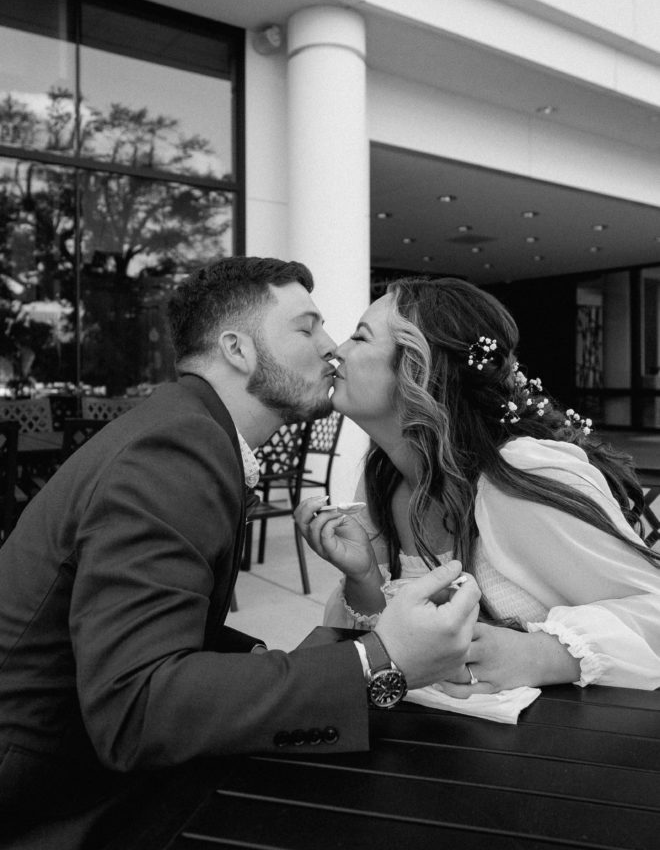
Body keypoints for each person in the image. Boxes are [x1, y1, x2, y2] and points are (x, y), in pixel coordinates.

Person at [0, 257, 480, 845]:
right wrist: (379, 662)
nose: (331, 348)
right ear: (237, 348)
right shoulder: (179, 446)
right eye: (307, 328)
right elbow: (135, 710)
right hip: (44, 796)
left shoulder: (186, 427)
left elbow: (152, 624)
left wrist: (280, 657)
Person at [295, 276, 660, 694]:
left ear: (419, 368)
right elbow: (396, 656)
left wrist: (543, 654)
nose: (336, 351)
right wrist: (363, 581)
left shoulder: (519, 478)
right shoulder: (382, 478)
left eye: (360, 337)